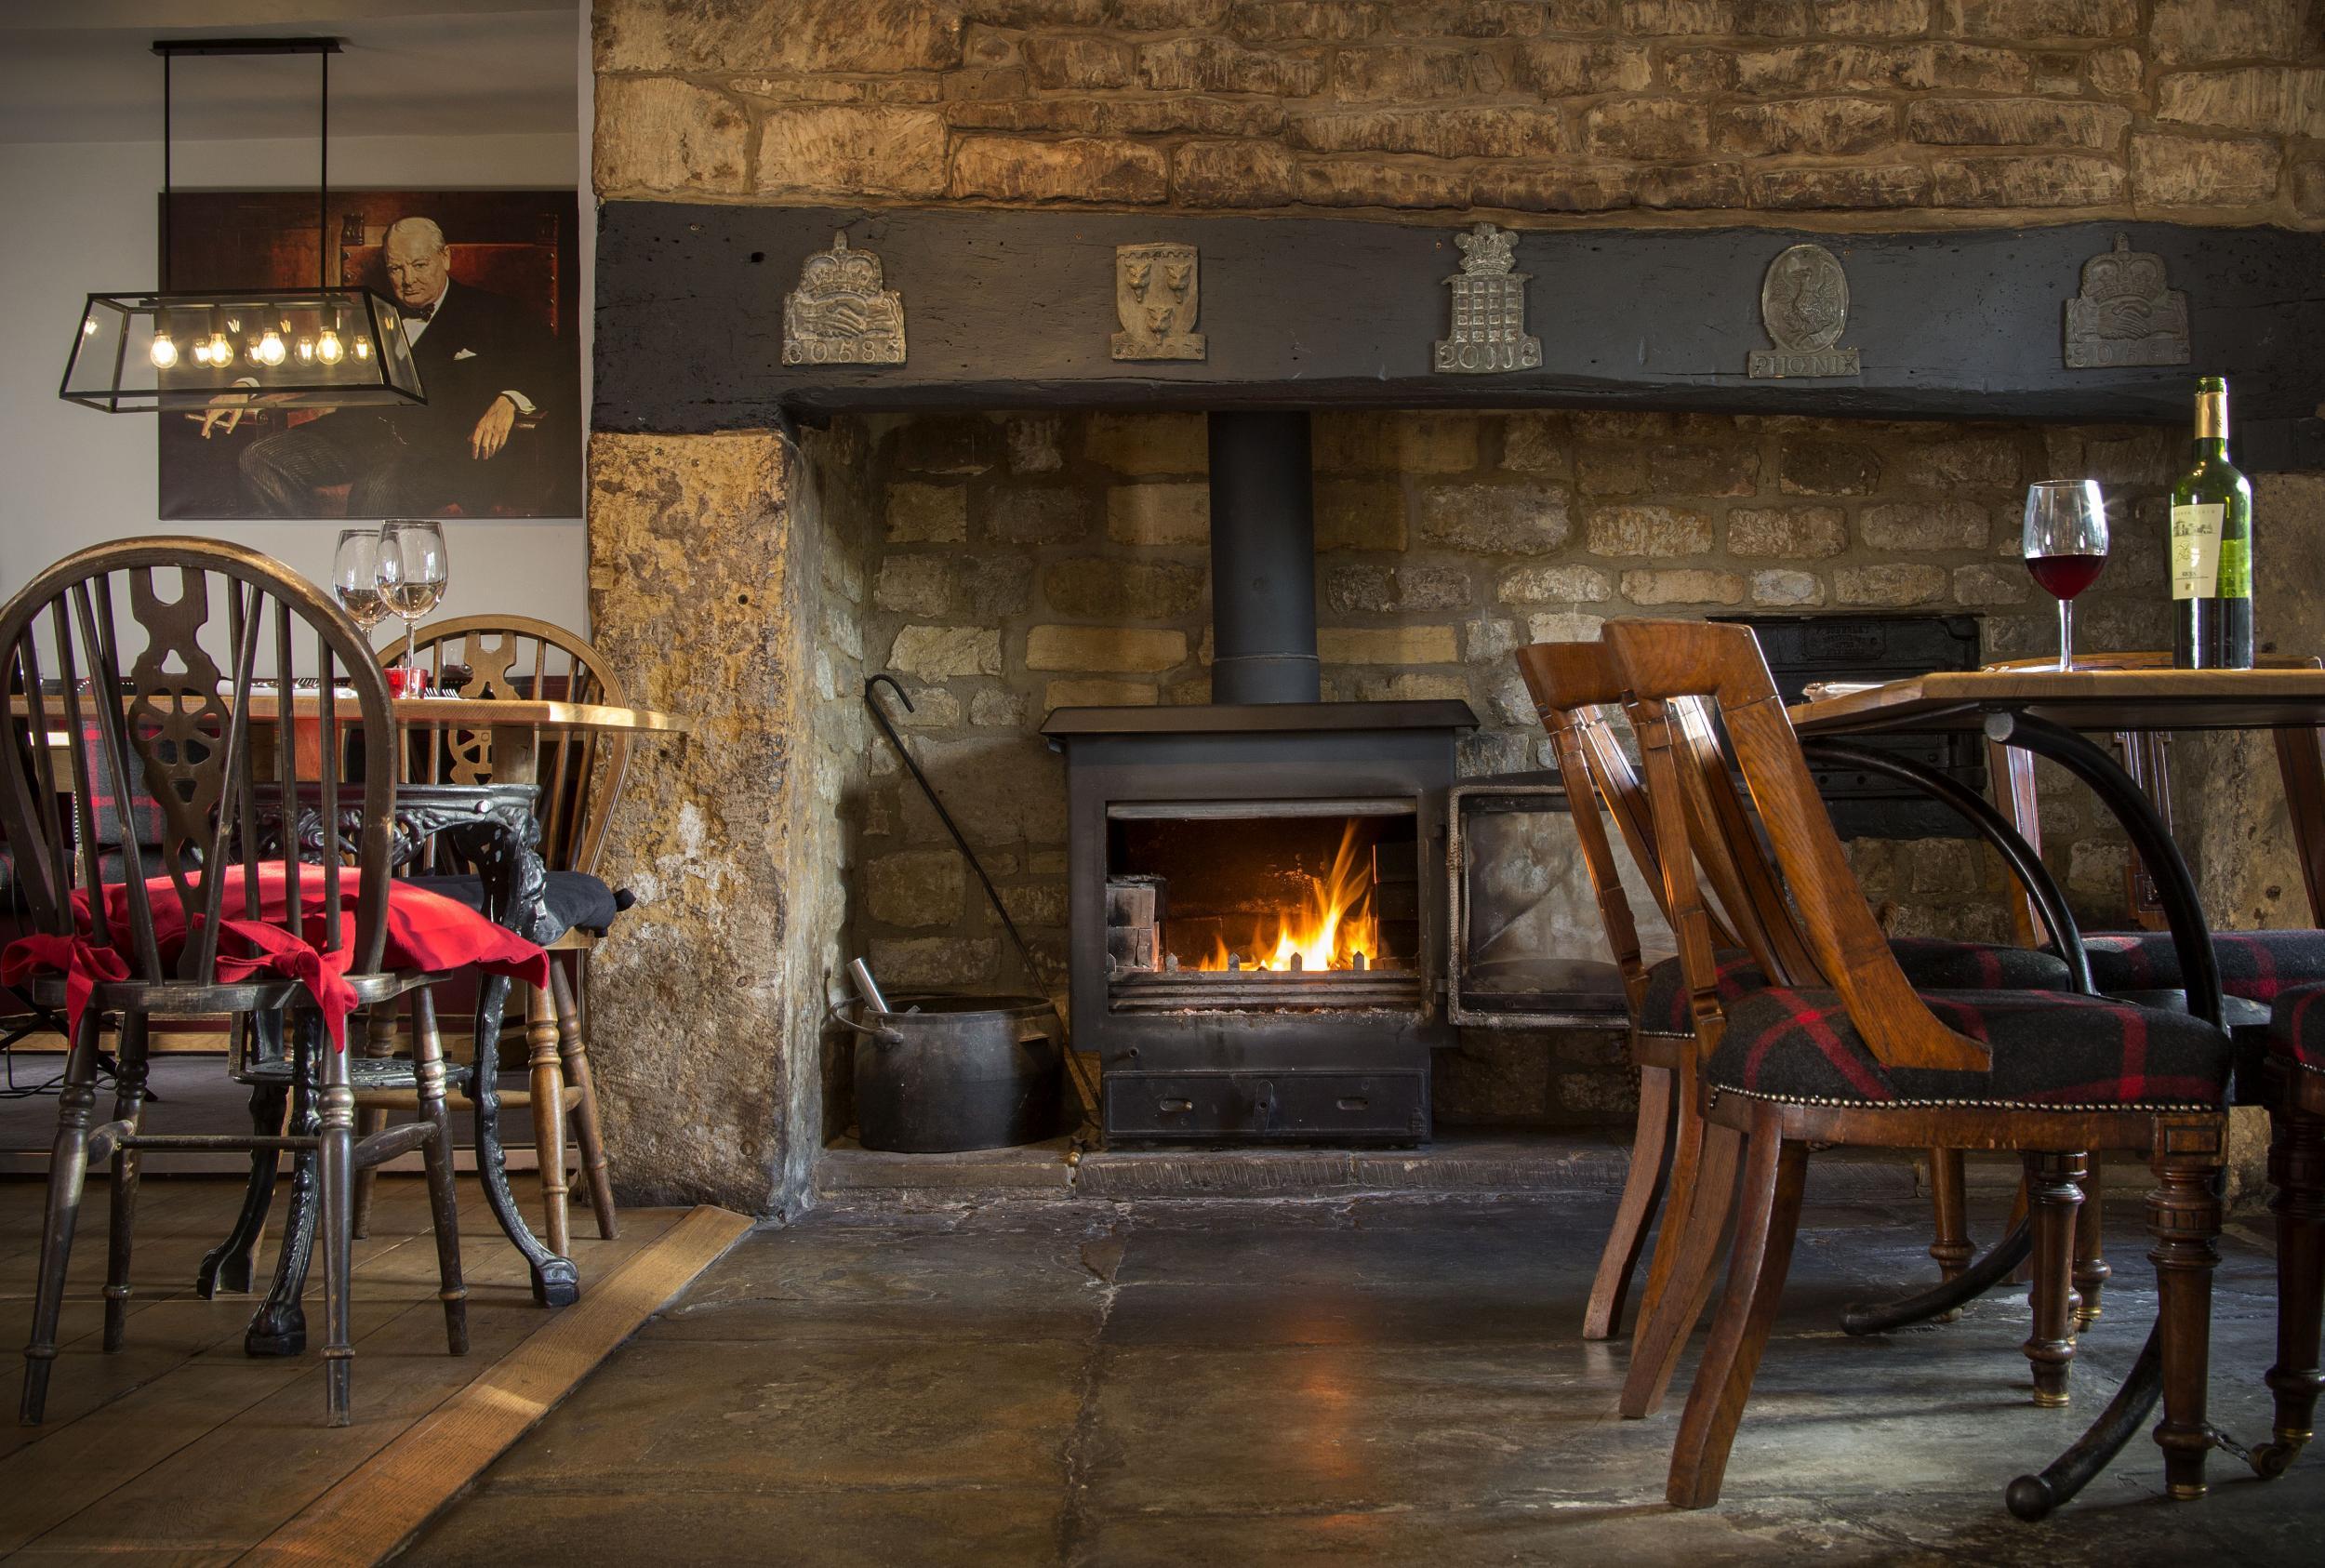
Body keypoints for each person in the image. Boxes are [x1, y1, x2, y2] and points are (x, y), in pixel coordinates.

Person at [208, 216, 568, 516]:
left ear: (446, 257)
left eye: (419, 265)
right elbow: (319, 360)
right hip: (359, 437)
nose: (407, 279)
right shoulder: (371, 310)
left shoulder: (494, 312)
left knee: (376, 489)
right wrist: (250, 383)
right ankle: (310, 556)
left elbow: (555, 364)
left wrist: (510, 399)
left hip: (441, 451)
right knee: (259, 459)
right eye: (396, 268)